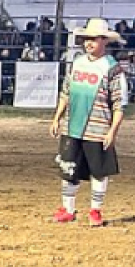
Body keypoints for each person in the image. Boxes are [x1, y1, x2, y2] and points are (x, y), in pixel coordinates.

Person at [49, 18, 127, 227]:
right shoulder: (77, 63)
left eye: (93, 39)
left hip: (98, 128)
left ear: (104, 41)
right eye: (86, 39)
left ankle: (95, 210)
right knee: (68, 168)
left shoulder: (112, 68)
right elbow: (65, 92)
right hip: (72, 126)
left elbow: (119, 104)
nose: (88, 43)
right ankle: (68, 208)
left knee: (98, 171)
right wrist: (57, 117)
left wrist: (112, 132)